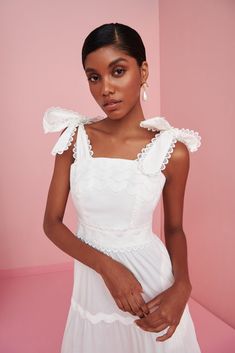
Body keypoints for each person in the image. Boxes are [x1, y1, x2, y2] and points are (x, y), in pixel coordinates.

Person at [43, 22, 202, 353]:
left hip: (151, 286)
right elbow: (52, 224)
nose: (106, 89)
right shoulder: (74, 138)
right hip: (93, 284)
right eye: (94, 77)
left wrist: (182, 287)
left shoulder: (173, 150)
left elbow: (174, 229)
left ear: (143, 71)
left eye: (118, 71)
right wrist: (106, 267)